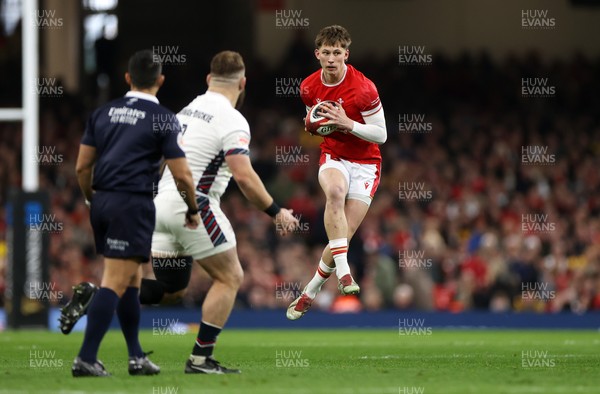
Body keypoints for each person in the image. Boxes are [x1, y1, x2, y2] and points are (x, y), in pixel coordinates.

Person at [69, 49, 200, 377]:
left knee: (131, 280)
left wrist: (90, 199)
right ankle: (85, 357)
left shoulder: (103, 112)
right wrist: (193, 208)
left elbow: (83, 166)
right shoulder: (165, 118)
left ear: (127, 78)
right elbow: (182, 174)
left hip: (102, 202)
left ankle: (136, 357)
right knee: (115, 281)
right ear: (161, 80)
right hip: (132, 204)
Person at [286, 25, 387, 320]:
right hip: (334, 155)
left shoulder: (364, 88)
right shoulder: (307, 87)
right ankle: (345, 272)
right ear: (317, 54)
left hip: (367, 163)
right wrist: (311, 125)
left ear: (346, 54)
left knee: (341, 237)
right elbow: (313, 121)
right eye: (326, 53)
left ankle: (311, 290)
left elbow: (381, 135)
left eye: (337, 53)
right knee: (334, 192)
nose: (332, 59)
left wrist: (347, 123)